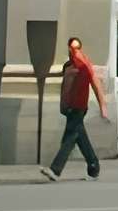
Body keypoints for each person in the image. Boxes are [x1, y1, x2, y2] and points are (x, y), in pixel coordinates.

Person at [44, 35, 105, 181]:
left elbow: (95, 84)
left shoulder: (84, 64)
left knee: (69, 139)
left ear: (80, 49)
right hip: (69, 107)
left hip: (79, 107)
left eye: (77, 47)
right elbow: (63, 81)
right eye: (72, 47)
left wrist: (103, 106)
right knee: (80, 138)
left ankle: (55, 170)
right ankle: (94, 166)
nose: (74, 50)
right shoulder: (68, 65)